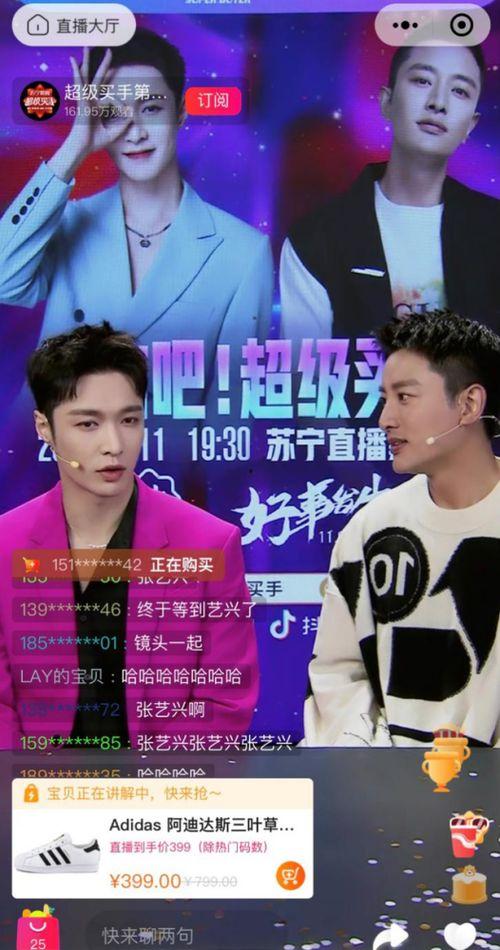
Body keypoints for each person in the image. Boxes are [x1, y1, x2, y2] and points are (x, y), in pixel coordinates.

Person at [0, 323, 259, 751]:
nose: (114, 444)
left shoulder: (209, 544)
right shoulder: (6, 545)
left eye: (129, 420)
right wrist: (29, 782)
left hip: (161, 785)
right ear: (44, 427)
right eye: (88, 424)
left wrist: (140, 785)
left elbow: (224, 702)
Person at [0, 28, 273, 390]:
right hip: (58, 426)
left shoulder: (244, 252)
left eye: (151, 109)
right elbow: (4, 280)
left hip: (168, 427)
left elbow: (233, 399)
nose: (135, 132)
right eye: (113, 113)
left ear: (180, 112)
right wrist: (75, 147)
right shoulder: (68, 222)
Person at [303, 311, 500, 747]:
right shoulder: (370, 530)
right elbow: (338, 673)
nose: (385, 419)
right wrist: (374, 766)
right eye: (384, 398)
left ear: (469, 405)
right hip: (385, 784)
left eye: (404, 397)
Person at [280, 45, 500, 342]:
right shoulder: (315, 240)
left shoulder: (492, 230)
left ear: (470, 125)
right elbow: (304, 367)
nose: (438, 103)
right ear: (387, 101)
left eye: (459, 91)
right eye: (422, 81)